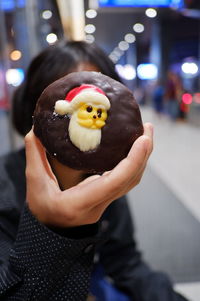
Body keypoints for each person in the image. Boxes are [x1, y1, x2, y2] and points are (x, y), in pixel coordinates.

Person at [0, 40, 187, 301]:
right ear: (34, 108)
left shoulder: (103, 181)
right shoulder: (5, 189)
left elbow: (124, 260)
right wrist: (53, 228)